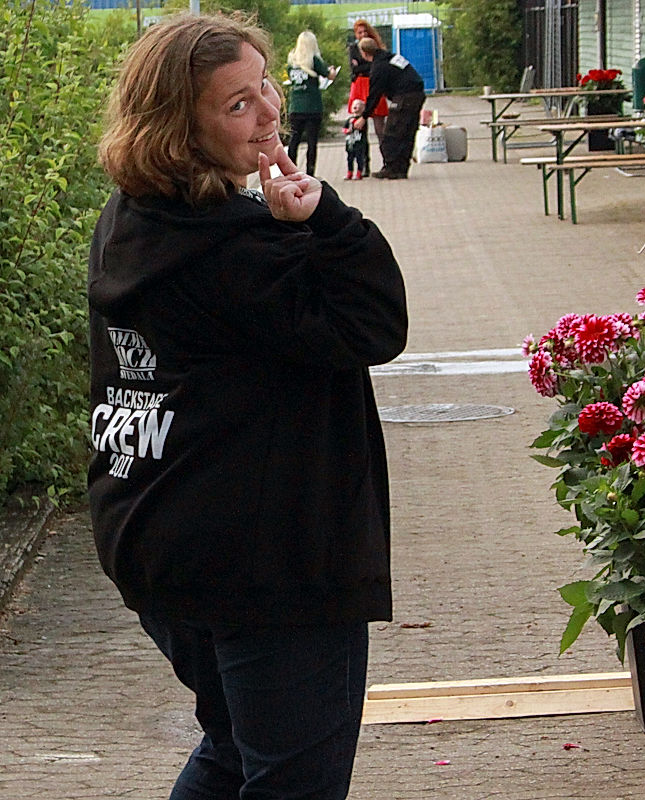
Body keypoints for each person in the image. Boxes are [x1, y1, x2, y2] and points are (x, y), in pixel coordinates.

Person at [90, 13, 407, 799]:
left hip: (157, 540)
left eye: (265, 84)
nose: (269, 111)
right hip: (271, 567)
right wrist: (327, 219)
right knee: (292, 778)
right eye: (237, 105)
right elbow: (374, 324)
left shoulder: (128, 223)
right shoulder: (240, 250)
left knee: (235, 750)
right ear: (178, 131)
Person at [358, 36, 425, 179]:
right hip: (417, 94)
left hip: (404, 98)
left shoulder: (379, 67)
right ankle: (401, 169)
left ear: (364, 53)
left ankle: (391, 168)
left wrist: (364, 117)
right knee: (407, 133)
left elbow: (374, 94)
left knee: (390, 134)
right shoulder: (391, 57)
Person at [285, 30, 339, 176]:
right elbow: (329, 75)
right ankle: (310, 172)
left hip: (295, 106)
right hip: (312, 106)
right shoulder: (314, 61)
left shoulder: (292, 62)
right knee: (311, 142)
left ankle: (290, 172)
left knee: (294, 141)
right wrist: (332, 70)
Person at [346, 18, 388, 175]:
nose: (363, 35)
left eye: (365, 32)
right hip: (359, 87)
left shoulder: (376, 47)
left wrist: (363, 66)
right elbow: (354, 69)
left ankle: (387, 161)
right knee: (360, 129)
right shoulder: (353, 48)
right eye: (359, 32)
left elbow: (372, 66)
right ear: (355, 35)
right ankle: (364, 166)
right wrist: (364, 67)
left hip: (374, 85)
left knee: (380, 129)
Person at [343, 98, 368, 180]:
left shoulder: (362, 120)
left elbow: (361, 128)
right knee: (349, 159)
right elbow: (344, 129)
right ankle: (349, 172)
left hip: (359, 143)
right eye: (354, 105)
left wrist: (353, 125)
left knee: (359, 158)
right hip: (350, 143)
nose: (355, 106)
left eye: (358, 105)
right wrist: (347, 130)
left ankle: (359, 173)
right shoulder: (349, 120)